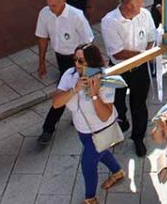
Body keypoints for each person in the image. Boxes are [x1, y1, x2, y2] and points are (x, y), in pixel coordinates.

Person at [50, 43, 124, 204]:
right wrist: (73, 90)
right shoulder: (69, 75)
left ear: (92, 62)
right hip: (82, 130)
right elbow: (55, 103)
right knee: (101, 151)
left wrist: (95, 94)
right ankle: (118, 172)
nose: (77, 64)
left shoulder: (106, 78)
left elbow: (105, 115)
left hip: (101, 129)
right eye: (75, 59)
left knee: (87, 164)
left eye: (81, 61)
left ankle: (90, 199)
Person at [100, 0, 157, 156]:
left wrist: (147, 53)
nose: (143, 5)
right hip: (118, 68)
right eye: (139, 3)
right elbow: (117, 52)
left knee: (139, 105)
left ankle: (138, 138)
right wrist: (143, 55)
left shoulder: (145, 15)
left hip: (140, 69)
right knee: (116, 101)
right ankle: (122, 119)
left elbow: (151, 38)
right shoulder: (109, 21)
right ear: (129, 6)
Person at [36, 0, 95, 144]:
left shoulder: (76, 16)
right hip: (60, 58)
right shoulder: (45, 14)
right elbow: (42, 37)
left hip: (77, 59)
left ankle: (48, 128)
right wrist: (41, 61)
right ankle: (72, 113)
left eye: (54, 5)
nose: (51, 8)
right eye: (48, 4)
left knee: (65, 92)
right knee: (68, 90)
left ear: (63, 1)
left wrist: (83, 65)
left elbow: (88, 41)